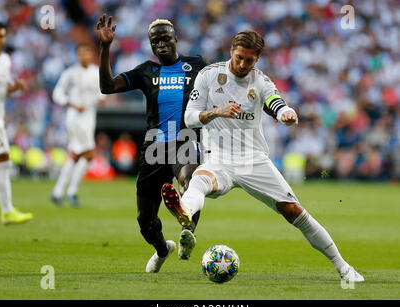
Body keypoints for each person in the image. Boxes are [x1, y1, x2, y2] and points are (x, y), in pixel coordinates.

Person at [162, 30, 364, 283]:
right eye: (239, 58)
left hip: (253, 159)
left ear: (257, 59)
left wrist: (286, 114)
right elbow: (190, 118)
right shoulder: (209, 75)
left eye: (250, 60)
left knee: (295, 212)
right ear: (231, 51)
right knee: (199, 181)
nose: (243, 65)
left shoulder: (261, 82)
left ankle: (343, 267)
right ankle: (184, 212)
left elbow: (276, 102)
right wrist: (217, 111)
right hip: (219, 158)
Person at [96, 14, 208, 272]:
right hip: (154, 146)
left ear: (176, 39)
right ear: (150, 45)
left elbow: (220, 86)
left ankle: (187, 232)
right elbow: (107, 87)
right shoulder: (146, 71)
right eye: (155, 41)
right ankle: (161, 249)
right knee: (145, 219)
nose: (160, 44)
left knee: (189, 181)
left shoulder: (197, 65)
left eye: (165, 38)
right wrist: (105, 47)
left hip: (185, 139)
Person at [50, 43, 105, 208]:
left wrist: (102, 97)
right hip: (75, 117)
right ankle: (70, 192)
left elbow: (100, 90)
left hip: (89, 116)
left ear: (90, 54)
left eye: (87, 52)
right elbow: (57, 93)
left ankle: (59, 192)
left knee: (77, 154)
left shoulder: (96, 72)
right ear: (77, 55)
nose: (84, 56)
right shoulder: (70, 73)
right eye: (81, 53)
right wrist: (71, 103)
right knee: (86, 153)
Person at [0, 22, 33, 225]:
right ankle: (7, 209)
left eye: (2, 36)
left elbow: (2, 89)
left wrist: (15, 87)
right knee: (3, 158)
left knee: (3, 159)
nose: (0, 40)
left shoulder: (5, 60)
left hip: (0, 116)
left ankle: (7, 210)